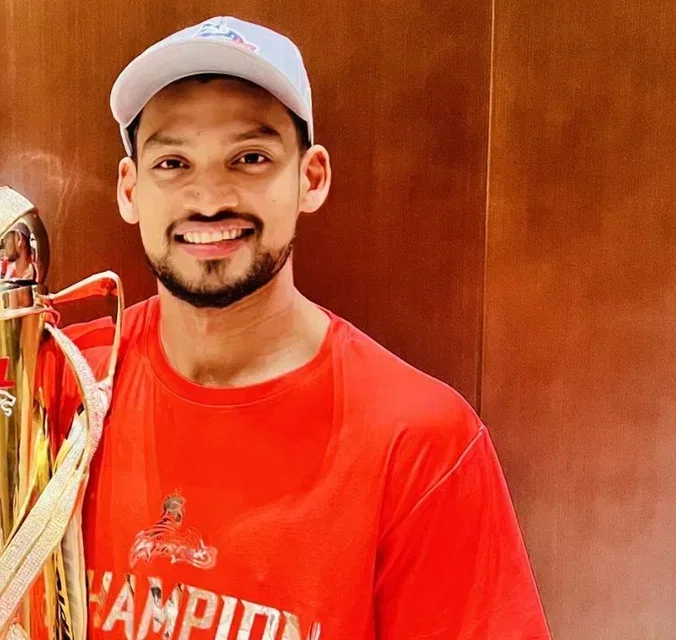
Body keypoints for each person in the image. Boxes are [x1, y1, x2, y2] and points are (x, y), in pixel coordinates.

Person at [45, 15, 551, 640]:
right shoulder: (58, 384)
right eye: (172, 162)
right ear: (129, 189)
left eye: (250, 158)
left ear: (310, 178)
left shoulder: (420, 441)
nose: (208, 198)